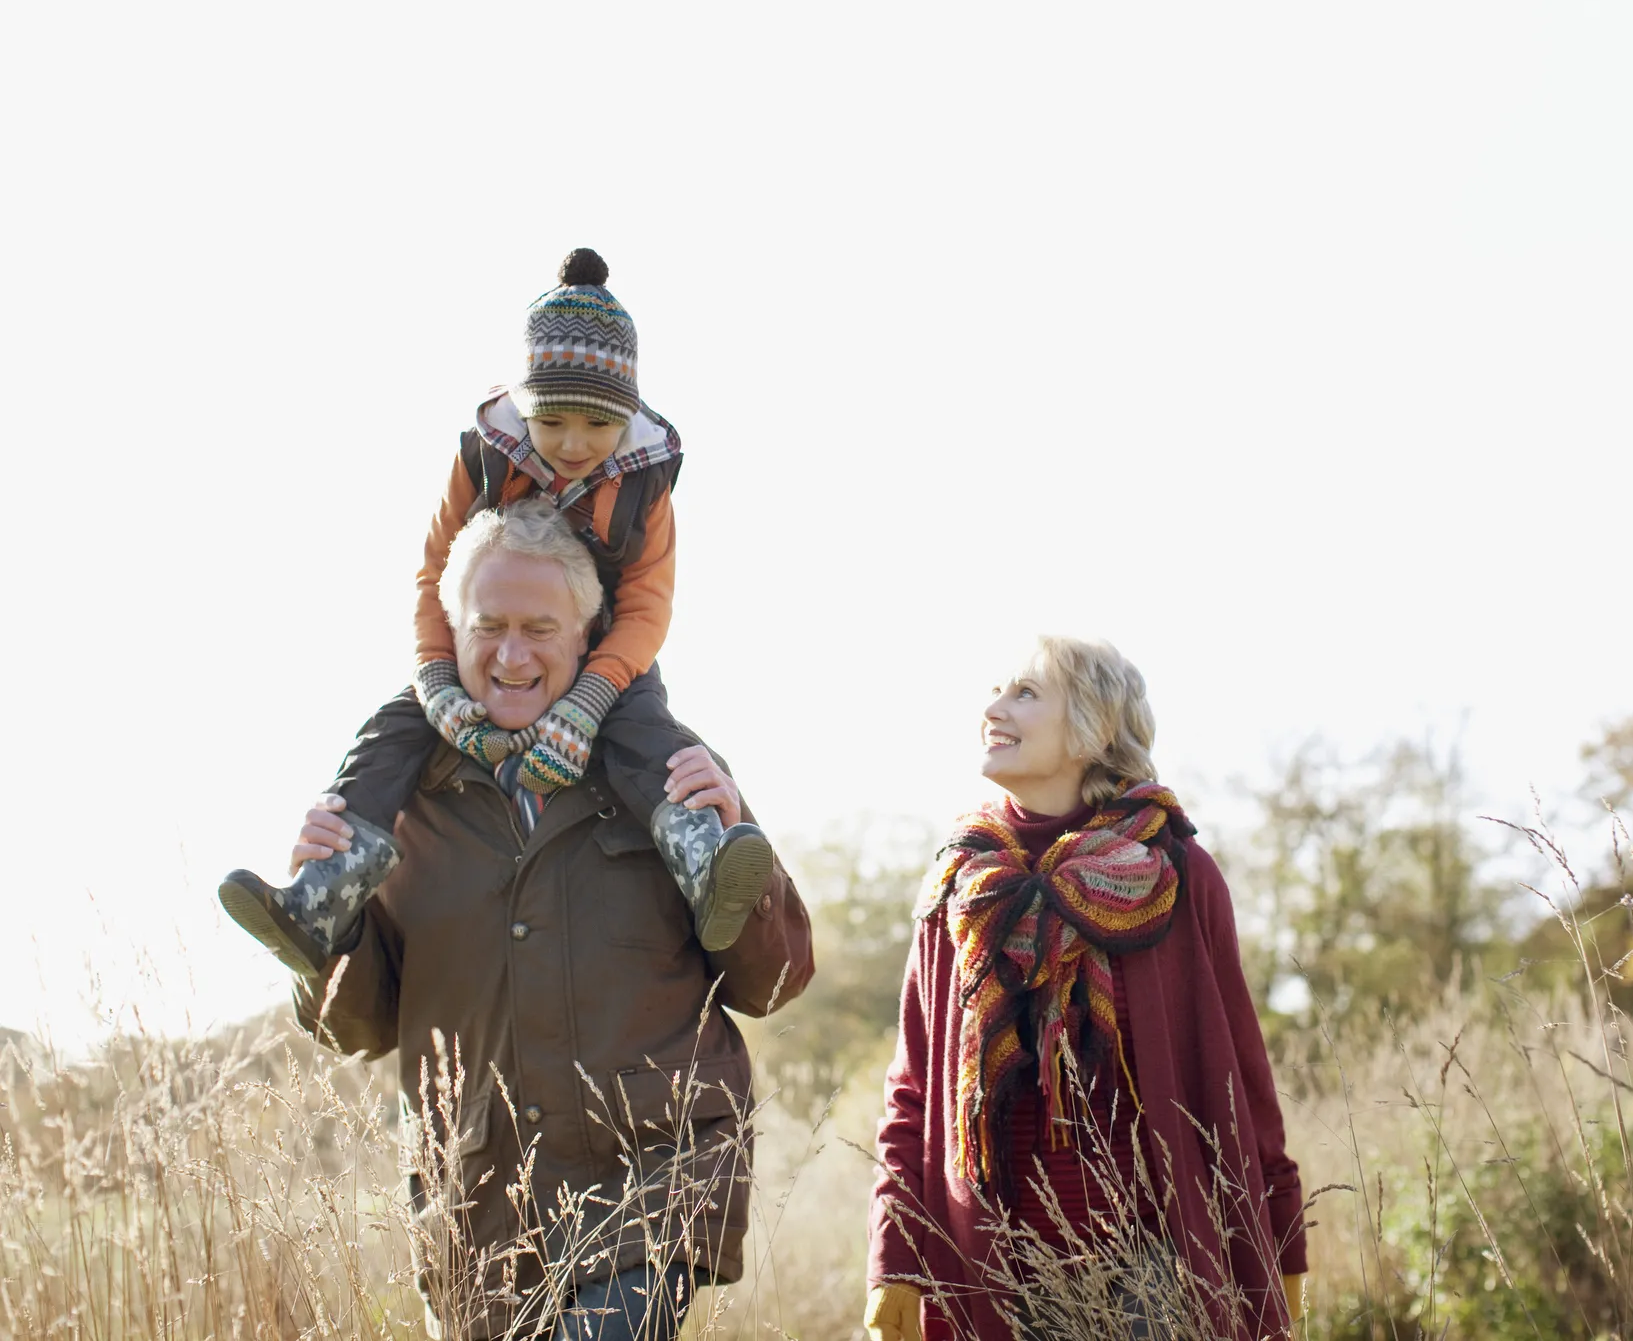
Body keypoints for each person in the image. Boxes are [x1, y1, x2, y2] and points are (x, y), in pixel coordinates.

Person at [291, 497, 813, 1339]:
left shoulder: (668, 775)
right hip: (475, 1216)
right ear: (450, 631)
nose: (510, 654)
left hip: (650, 1189)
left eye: (540, 627)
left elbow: (775, 982)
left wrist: (741, 847)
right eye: (488, 625)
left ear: (589, 634)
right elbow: (357, 1028)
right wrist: (327, 922)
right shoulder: (397, 804)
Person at [220, 248, 771, 978]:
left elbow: (647, 607)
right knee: (388, 737)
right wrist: (437, 678)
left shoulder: (646, 485)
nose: (574, 445)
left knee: (651, 739)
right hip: (468, 659)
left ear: (629, 415)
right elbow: (434, 576)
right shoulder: (484, 458)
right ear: (526, 406)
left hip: (606, 658)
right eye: (554, 422)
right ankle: (321, 895)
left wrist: (594, 696)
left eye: (597, 426)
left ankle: (702, 860)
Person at [865, 637, 1307, 1340]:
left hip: (1155, 1279)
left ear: (1096, 727)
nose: (992, 709)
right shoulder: (961, 887)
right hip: (993, 1274)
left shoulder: (1177, 874)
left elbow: (1240, 1078)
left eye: (1025, 693)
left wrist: (1279, 1232)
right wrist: (895, 1253)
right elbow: (914, 1088)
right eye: (995, 690)